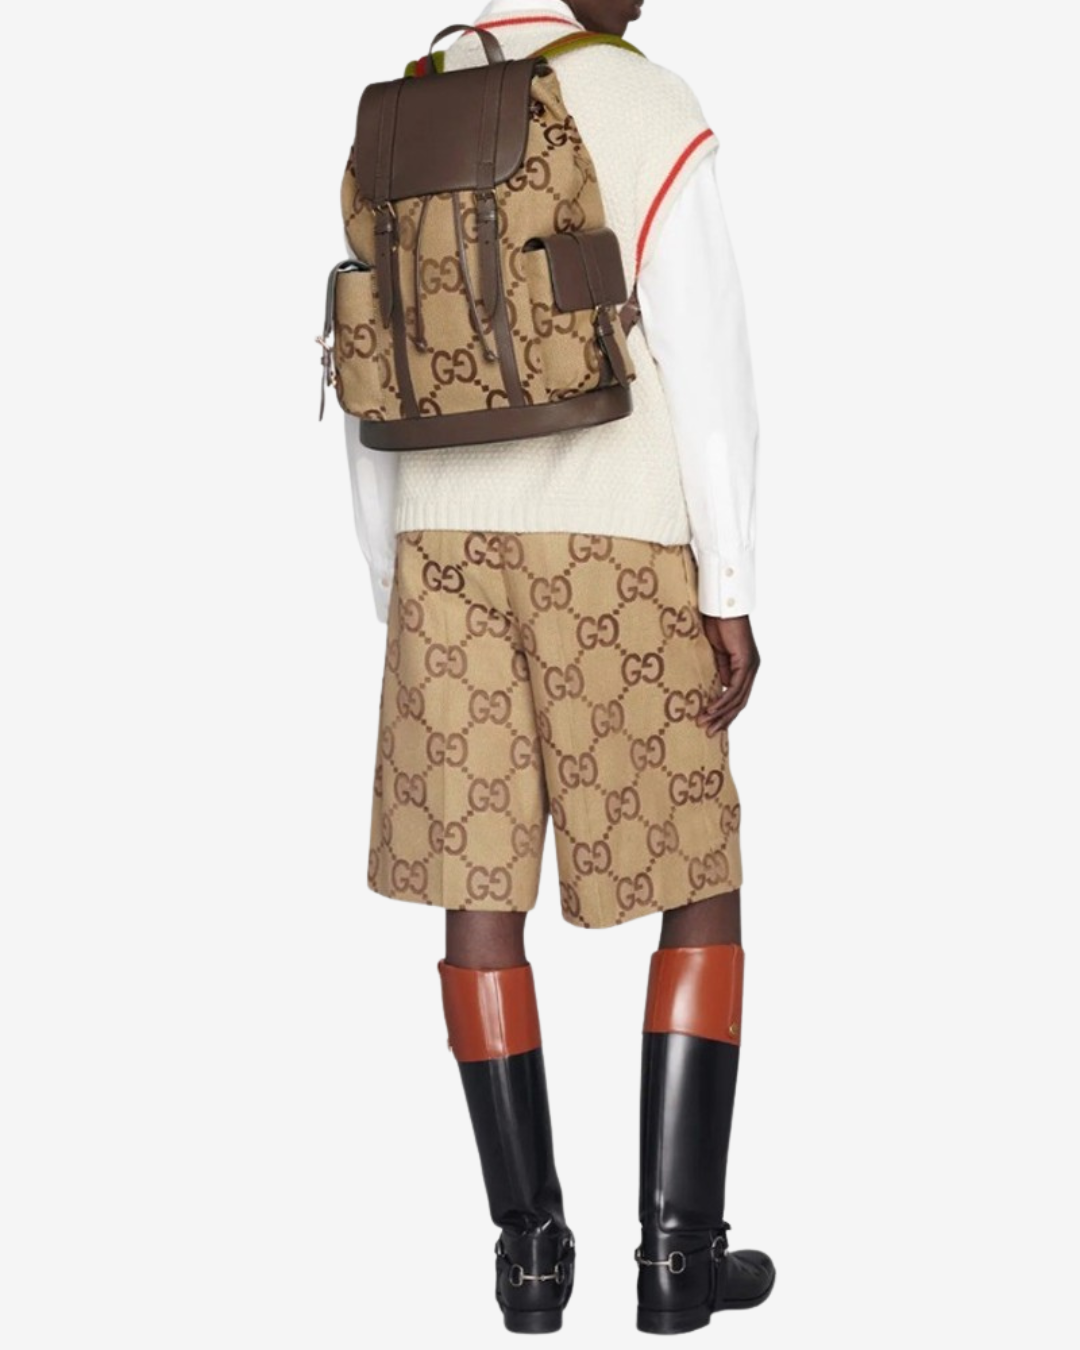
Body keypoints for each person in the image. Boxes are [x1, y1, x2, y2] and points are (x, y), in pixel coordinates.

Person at [341, 0, 773, 1334]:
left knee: (478, 893)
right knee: (692, 876)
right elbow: (708, 360)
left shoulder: (406, 105)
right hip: (615, 540)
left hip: (440, 545)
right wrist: (730, 586)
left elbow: (371, 360)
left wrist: (393, 576)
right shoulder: (644, 100)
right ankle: (678, 1256)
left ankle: (529, 1256)